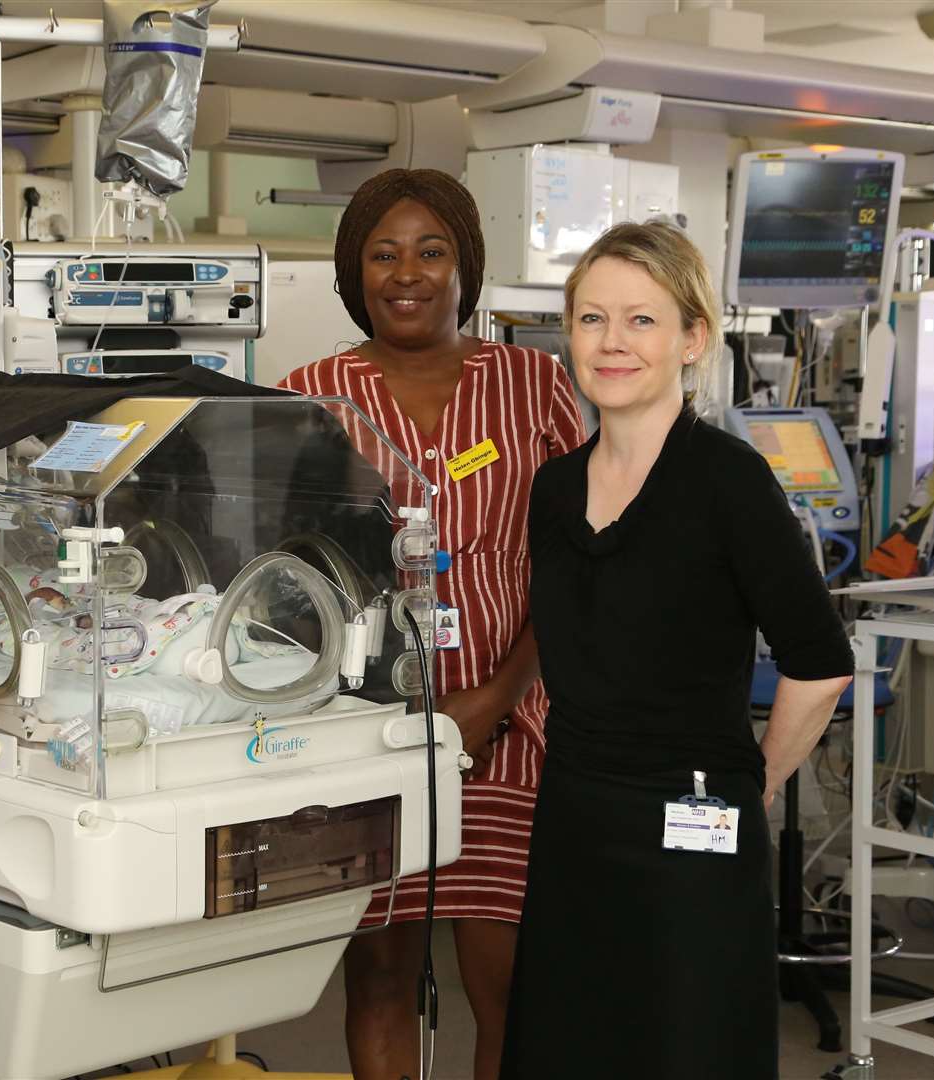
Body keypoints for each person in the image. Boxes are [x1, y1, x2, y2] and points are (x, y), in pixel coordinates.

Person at [501, 222, 853, 1078]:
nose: (612, 342)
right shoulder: (553, 488)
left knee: (684, 1049)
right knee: (569, 1046)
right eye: (591, 319)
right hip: (577, 813)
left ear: (693, 339)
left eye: (641, 320)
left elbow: (819, 658)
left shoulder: (727, 481)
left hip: (694, 822)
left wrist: (755, 776)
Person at [281, 169, 586, 1080]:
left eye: (430, 250)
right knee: (379, 977)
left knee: (508, 980)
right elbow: (289, 576)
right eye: (383, 253)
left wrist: (499, 694)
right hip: (366, 730)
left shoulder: (533, 385)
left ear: (466, 268)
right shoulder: (312, 395)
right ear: (353, 271)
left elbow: (577, 561)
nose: (405, 273)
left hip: (514, 723)